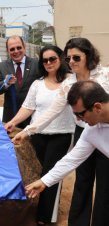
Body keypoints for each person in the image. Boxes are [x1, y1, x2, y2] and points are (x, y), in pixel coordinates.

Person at [13, 38, 109, 226]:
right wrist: (28, 131)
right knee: (82, 181)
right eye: (68, 58)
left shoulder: (105, 75)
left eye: (76, 57)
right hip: (91, 132)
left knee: (105, 186)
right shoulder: (70, 86)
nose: (71, 61)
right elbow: (69, 159)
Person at [5, 45, 74, 225]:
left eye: (52, 59)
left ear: (60, 59)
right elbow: (28, 107)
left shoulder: (70, 82)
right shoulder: (37, 84)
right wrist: (13, 121)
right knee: (37, 174)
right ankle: (35, 212)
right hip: (38, 135)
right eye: (45, 60)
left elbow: (55, 111)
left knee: (52, 174)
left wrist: (27, 131)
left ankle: (46, 217)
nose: (49, 63)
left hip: (61, 134)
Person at [26, 81, 109, 226]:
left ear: (97, 107)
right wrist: (44, 181)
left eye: (80, 114)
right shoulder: (91, 131)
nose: (77, 119)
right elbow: (71, 159)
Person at [0, 35, 39, 127]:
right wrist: (5, 83)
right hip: (10, 116)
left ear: (24, 47)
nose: (16, 51)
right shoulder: (2, 66)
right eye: (12, 49)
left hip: (32, 116)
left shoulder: (36, 64)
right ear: (7, 50)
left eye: (19, 48)